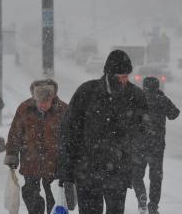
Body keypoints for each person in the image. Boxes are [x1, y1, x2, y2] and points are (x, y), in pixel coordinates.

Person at [57, 50, 149, 214]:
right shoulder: (87, 92)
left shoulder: (135, 96)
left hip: (118, 170)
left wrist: (135, 162)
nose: (124, 81)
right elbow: (69, 131)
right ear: (109, 74)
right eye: (120, 77)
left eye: (126, 76)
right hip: (87, 170)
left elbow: (143, 134)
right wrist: (66, 168)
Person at [4, 79, 68, 214]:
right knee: (30, 193)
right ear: (35, 98)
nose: (43, 105)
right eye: (40, 102)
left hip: (54, 163)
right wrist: (12, 155)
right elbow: (15, 134)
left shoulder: (63, 110)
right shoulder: (25, 108)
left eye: (46, 102)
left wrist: (70, 159)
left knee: (54, 196)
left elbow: (71, 137)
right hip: (30, 160)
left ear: (52, 98)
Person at [132, 77, 180, 214]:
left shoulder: (136, 100)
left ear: (144, 87)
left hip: (138, 145)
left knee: (136, 175)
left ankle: (141, 196)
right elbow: (174, 114)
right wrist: (162, 99)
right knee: (156, 177)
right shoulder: (162, 100)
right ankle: (153, 205)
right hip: (156, 146)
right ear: (158, 87)